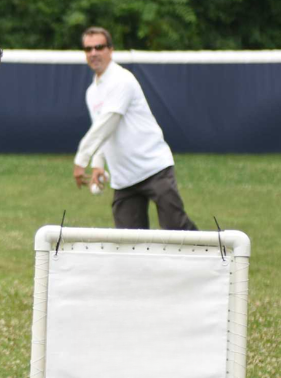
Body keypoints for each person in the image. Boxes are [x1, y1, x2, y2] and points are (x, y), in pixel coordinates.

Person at [72, 26, 197, 231]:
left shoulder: (122, 79)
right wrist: (98, 164)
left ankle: (216, 260)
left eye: (99, 47)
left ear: (110, 50)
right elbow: (102, 131)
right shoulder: (91, 92)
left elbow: (107, 123)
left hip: (154, 169)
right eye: (88, 49)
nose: (93, 53)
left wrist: (81, 159)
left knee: (177, 230)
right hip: (124, 179)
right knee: (128, 243)